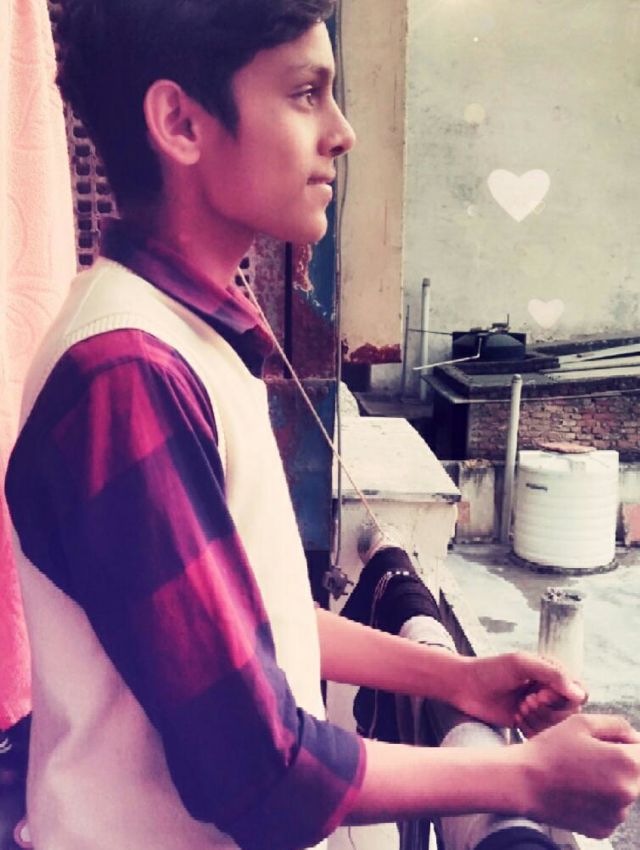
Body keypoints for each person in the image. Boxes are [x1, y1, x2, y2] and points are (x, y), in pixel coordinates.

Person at [5, 2, 640, 849]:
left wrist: (458, 678)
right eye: (306, 93)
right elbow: (261, 774)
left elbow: (254, 623)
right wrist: (527, 777)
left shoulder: (182, 335)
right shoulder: (127, 374)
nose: (342, 133)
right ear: (181, 123)